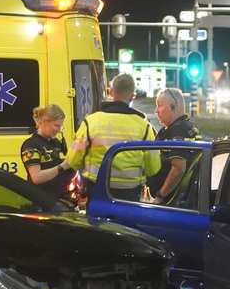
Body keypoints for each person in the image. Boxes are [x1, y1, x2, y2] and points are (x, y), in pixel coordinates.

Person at [65, 73, 160, 202]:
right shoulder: (144, 126)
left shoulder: (91, 121)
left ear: (111, 92)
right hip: (129, 195)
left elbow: (73, 160)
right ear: (133, 96)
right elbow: (153, 168)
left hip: (97, 190)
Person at [148, 87, 201, 204]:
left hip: (171, 202)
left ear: (173, 107)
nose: (156, 111)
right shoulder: (182, 128)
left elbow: (178, 168)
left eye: (160, 105)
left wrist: (161, 195)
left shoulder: (178, 130)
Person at [20, 104, 74, 201]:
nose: (58, 130)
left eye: (60, 126)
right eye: (56, 125)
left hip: (60, 199)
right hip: (42, 200)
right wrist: (62, 166)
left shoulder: (55, 142)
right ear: (44, 122)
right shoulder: (31, 145)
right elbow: (36, 178)